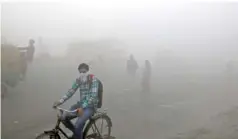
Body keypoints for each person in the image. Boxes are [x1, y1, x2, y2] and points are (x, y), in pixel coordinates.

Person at [53, 63, 100, 139]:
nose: (82, 74)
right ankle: (77, 134)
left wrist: (83, 107)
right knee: (64, 117)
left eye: (84, 72)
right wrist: (60, 101)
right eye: (80, 72)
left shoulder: (93, 79)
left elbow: (93, 96)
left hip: (90, 107)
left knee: (78, 124)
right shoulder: (79, 80)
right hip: (81, 105)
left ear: (88, 71)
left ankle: (77, 134)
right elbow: (71, 91)